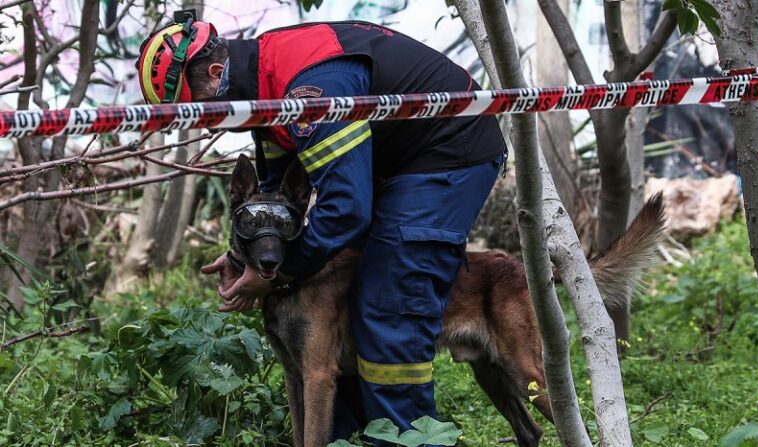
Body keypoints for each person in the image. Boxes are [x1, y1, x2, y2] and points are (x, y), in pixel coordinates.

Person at [136, 11, 506, 442]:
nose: (203, 122)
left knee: (388, 306)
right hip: (392, 163)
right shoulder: (265, 87)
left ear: (216, 73)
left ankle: (409, 437)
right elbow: (275, 197)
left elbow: (346, 208)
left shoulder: (312, 87)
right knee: (342, 312)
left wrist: (283, 273)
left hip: (448, 153)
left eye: (198, 109)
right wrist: (245, 256)